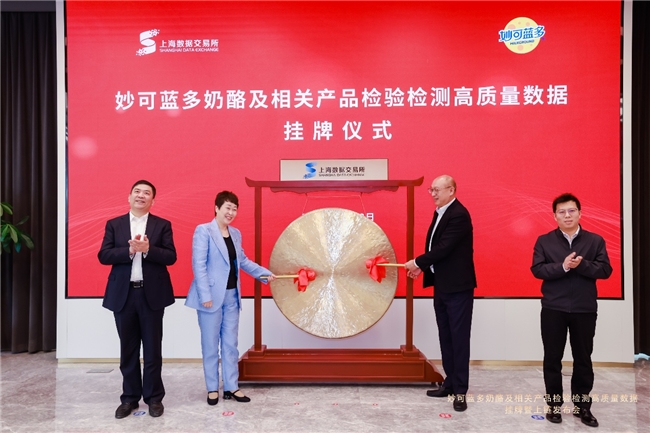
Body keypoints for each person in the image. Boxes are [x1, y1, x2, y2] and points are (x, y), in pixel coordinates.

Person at [185, 191, 276, 406]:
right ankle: (212, 388)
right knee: (210, 345)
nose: (231, 212)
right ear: (216, 208)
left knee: (230, 344)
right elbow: (199, 264)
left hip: (232, 296)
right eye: (227, 207)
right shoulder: (204, 231)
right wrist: (205, 295)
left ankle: (231, 386)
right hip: (210, 297)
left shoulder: (235, 233)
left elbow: (242, 261)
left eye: (235, 209)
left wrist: (264, 274)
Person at [531, 193, 612, 427]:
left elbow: (605, 270)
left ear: (580, 213)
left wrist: (582, 265)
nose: (567, 215)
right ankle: (554, 406)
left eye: (572, 210)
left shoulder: (595, 240)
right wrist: (563, 266)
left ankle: (582, 407)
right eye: (562, 212)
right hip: (553, 308)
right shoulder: (544, 241)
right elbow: (537, 269)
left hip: (584, 309)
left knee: (583, 359)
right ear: (555, 216)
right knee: (552, 358)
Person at [98, 180, 177, 419]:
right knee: (128, 350)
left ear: (153, 200)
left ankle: (154, 398)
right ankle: (129, 398)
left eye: (147, 193)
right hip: (123, 295)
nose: (141, 196)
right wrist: (130, 251)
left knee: (153, 350)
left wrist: (148, 250)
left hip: (151, 295)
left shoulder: (162, 225)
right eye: (137, 192)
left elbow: (171, 257)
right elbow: (104, 255)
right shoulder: (115, 224)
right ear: (129, 197)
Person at [405, 174, 477, 412]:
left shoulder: (458, 214)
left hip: (458, 288)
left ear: (451, 190)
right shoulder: (440, 213)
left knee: (459, 339)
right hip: (443, 286)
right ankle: (450, 383)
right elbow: (436, 249)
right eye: (431, 190)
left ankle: (460, 391)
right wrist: (423, 268)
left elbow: (444, 248)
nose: (433, 194)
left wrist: (417, 262)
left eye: (437, 189)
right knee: (446, 336)